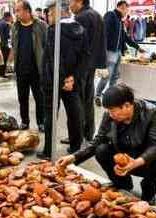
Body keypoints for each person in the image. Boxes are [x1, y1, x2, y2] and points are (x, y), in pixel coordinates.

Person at [58, 85, 156, 205]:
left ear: (127, 106)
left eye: (112, 110)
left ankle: (148, 191)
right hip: (122, 159)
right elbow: (98, 140)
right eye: (108, 110)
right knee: (101, 150)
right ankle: (122, 184)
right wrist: (73, 157)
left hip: (144, 161)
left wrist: (135, 163)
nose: (110, 114)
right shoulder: (110, 116)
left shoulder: (151, 113)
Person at [39, 0, 86, 158]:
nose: (48, 16)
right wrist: (72, 78)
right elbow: (85, 57)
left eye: (51, 12)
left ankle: (48, 150)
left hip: (53, 80)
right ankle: (75, 146)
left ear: (60, 11)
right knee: (74, 112)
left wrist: (62, 80)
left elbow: (54, 59)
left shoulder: (54, 31)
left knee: (51, 114)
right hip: (73, 80)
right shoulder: (80, 29)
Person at [69, 0, 107, 142]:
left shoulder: (81, 17)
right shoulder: (97, 15)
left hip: (81, 66)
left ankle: (77, 136)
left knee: (77, 101)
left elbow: (78, 45)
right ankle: (88, 134)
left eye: (71, 1)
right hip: (91, 64)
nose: (69, 4)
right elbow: (102, 42)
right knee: (87, 100)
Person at [95, 1, 144, 105]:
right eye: (127, 10)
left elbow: (125, 37)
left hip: (117, 52)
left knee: (115, 76)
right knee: (107, 75)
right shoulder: (110, 15)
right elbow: (104, 33)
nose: (127, 13)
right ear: (122, 7)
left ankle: (110, 96)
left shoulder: (120, 20)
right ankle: (98, 95)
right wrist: (102, 51)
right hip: (110, 52)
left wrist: (137, 47)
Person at [11, 0, 47, 130]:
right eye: (16, 11)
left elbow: (46, 45)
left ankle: (41, 122)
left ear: (27, 11)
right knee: (22, 97)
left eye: (18, 10)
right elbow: (14, 46)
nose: (16, 13)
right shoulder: (15, 26)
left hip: (36, 69)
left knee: (39, 97)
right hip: (21, 69)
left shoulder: (40, 25)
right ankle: (25, 121)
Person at [0, 12, 13, 79]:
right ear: (8, 17)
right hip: (4, 44)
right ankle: (2, 74)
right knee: (4, 59)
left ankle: (0, 72)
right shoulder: (6, 24)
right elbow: (7, 36)